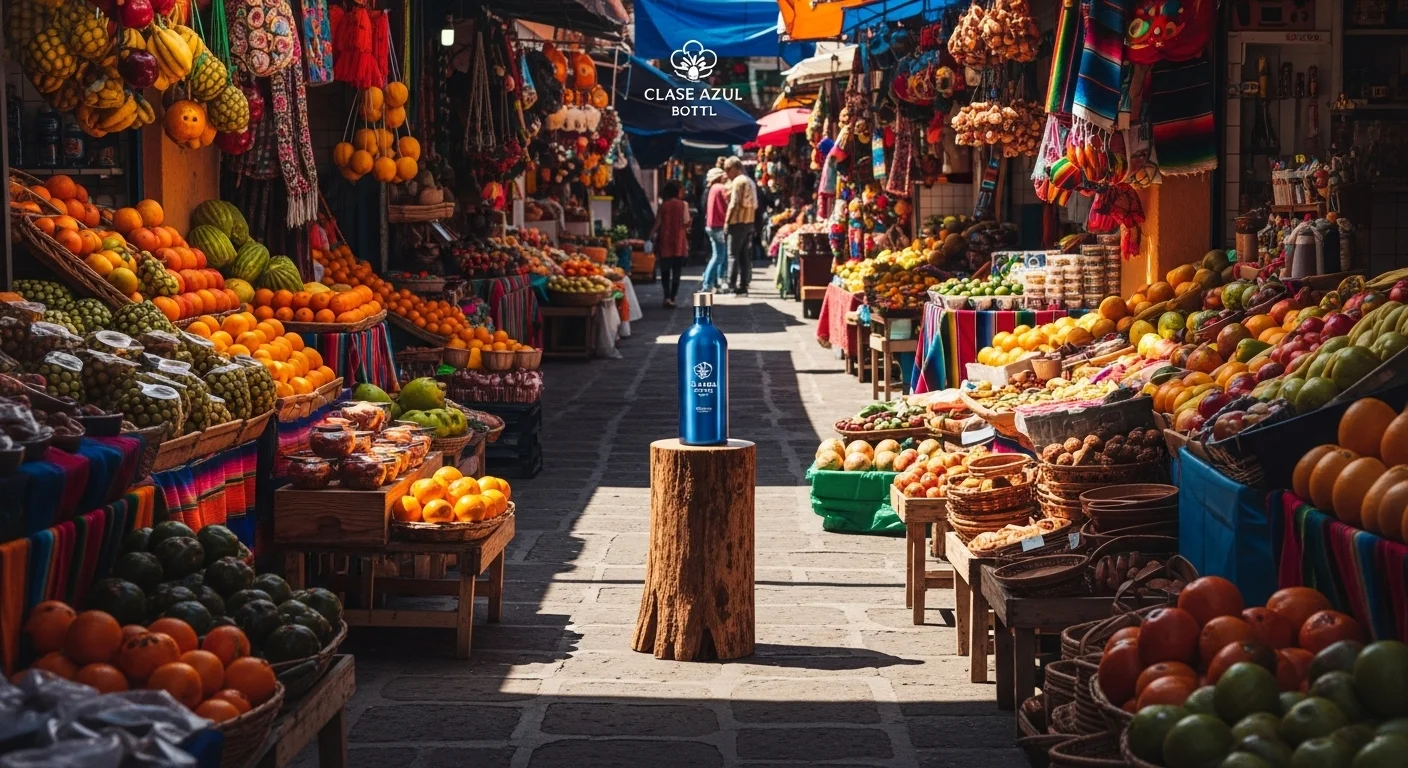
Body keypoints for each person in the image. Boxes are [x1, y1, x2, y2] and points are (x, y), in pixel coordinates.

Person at [649, 180, 690, 307]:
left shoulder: (664, 206)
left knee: (665, 272)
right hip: (679, 242)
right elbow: (686, 222)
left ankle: (666, 296)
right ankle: (672, 297)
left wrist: (650, 235)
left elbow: (658, 222)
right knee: (677, 272)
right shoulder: (683, 205)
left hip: (665, 241)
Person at [723, 156, 757, 296]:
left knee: (732, 254)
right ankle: (743, 285)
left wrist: (727, 221)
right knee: (743, 255)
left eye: (728, 170)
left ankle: (731, 285)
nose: (726, 173)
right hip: (749, 221)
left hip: (737, 222)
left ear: (735, 168)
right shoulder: (749, 180)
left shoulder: (738, 182)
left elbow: (734, 203)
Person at [700, 168, 728, 293]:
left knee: (718, 255)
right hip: (718, 226)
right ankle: (707, 283)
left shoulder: (712, 188)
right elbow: (723, 209)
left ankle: (712, 283)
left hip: (711, 226)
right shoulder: (720, 188)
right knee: (719, 256)